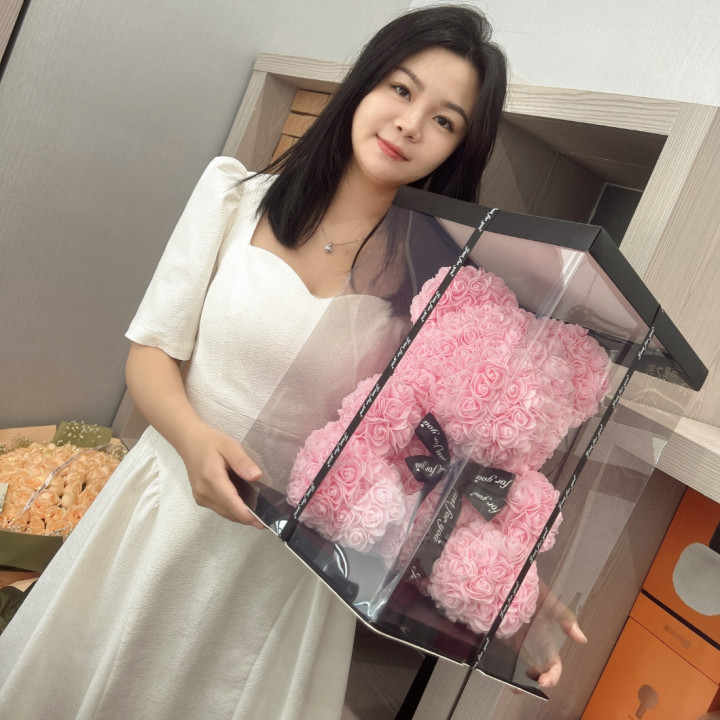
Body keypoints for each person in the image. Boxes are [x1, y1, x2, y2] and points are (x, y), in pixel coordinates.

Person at [0, 6, 581, 718]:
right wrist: (192, 439)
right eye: (400, 89)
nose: (409, 124)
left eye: (443, 120)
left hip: (288, 572)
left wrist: (519, 590)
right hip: (164, 512)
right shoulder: (235, 197)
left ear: (459, 148)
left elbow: (437, 465)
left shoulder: (431, 291)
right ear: (365, 83)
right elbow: (150, 355)